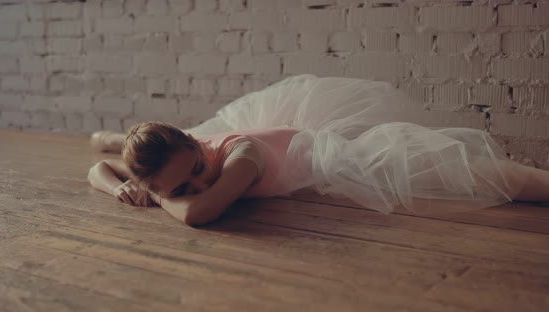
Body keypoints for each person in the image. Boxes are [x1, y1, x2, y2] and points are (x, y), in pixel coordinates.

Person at [87, 75, 549, 226]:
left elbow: (199, 213)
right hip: (204, 143)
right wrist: (120, 189)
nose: (199, 183)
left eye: (195, 169)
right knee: (133, 145)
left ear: (196, 149)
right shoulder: (187, 160)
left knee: (445, 168)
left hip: (325, 156)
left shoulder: (239, 156)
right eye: (184, 184)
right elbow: (98, 171)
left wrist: (163, 193)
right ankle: (111, 134)